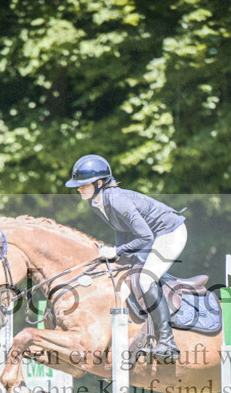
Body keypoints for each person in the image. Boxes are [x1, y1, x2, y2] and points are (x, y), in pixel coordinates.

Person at [64, 154, 187, 361]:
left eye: (84, 184)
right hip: (153, 236)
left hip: (169, 232)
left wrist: (117, 252)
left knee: (146, 280)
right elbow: (121, 229)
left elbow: (145, 236)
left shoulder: (118, 200)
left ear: (99, 183)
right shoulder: (97, 203)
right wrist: (118, 254)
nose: (79, 188)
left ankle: (168, 343)